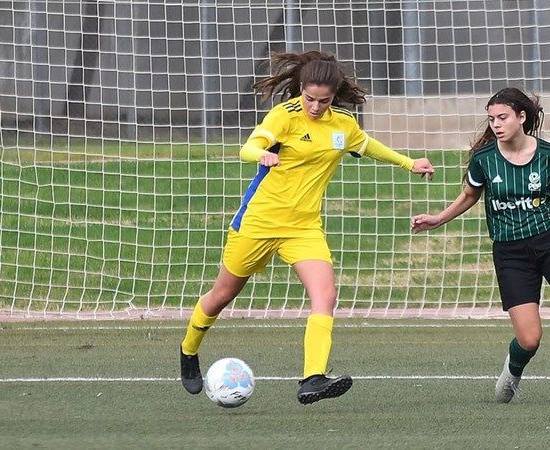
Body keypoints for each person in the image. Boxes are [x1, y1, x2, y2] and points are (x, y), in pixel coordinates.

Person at [178, 50, 435, 404]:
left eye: (323, 100)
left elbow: (367, 145)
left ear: (334, 96)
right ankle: (189, 350)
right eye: (309, 98)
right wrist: (262, 154)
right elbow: (248, 148)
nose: (315, 106)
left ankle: (312, 378)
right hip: (259, 222)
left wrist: (409, 163)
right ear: (300, 89)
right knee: (222, 295)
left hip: (304, 228)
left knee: (325, 296)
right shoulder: (285, 116)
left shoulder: (342, 126)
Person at [411, 87, 550, 404]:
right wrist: (438, 218)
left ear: (521, 117)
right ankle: (512, 374)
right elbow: (470, 196)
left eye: (502, 117)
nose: (496, 124)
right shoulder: (484, 160)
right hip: (510, 253)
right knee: (529, 339)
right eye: (491, 119)